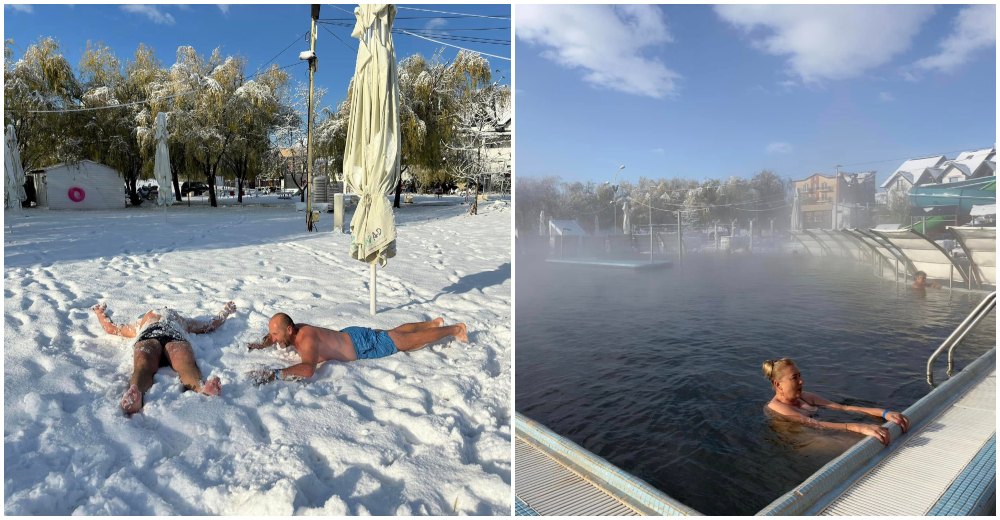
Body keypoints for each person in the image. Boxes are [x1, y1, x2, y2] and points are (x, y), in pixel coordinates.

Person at [92, 301, 236, 415]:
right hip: (149, 336)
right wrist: (100, 314)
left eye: (167, 308)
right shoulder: (141, 322)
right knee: (143, 364)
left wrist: (225, 312)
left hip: (175, 337)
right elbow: (112, 329)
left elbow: (209, 325)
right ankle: (136, 396)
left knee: (185, 362)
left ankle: (201, 388)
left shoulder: (181, 320)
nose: (164, 309)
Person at [245, 313, 468, 385]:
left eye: (275, 335)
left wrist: (275, 374)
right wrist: (261, 344)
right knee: (392, 334)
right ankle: (431, 323)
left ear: (290, 330)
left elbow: (308, 369)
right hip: (351, 336)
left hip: (360, 345)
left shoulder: (307, 341)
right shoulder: (293, 330)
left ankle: (454, 330)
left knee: (403, 342)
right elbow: (273, 335)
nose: (274, 339)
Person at [762, 358, 910, 446]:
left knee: (878, 434)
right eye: (795, 378)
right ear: (777, 384)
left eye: (800, 376)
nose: (801, 381)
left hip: (821, 428)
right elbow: (815, 424)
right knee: (860, 443)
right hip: (803, 440)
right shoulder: (777, 408)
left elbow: (844, 408)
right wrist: (858, 427)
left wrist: (885, 413)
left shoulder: (805, 397)